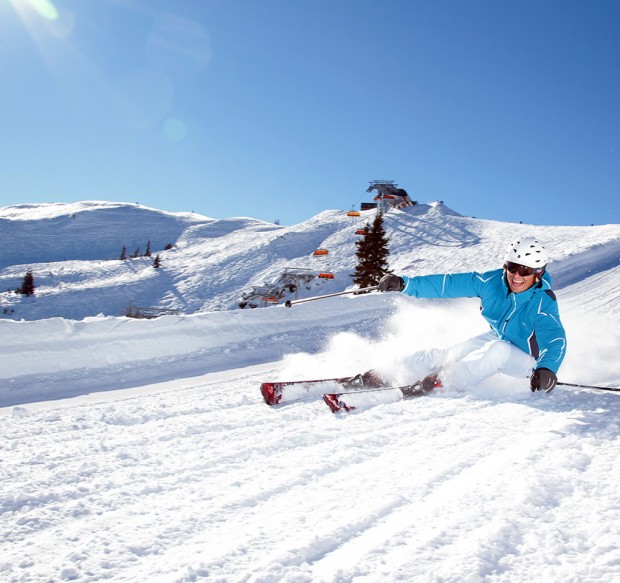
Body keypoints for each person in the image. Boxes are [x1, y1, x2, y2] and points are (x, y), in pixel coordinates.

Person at [374, 236, 566, 394]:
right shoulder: (491, 281)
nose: (516, 276)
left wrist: (546, 368)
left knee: (498, 351)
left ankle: (442, 384)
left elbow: (554, 337)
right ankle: (384, 374)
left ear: (538, 274)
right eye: (512, 267)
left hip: (529, 361)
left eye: (525, 271)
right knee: (448, 355)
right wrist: (405, 284)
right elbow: (447, 285)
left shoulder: (543, 301)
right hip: (501, 337)